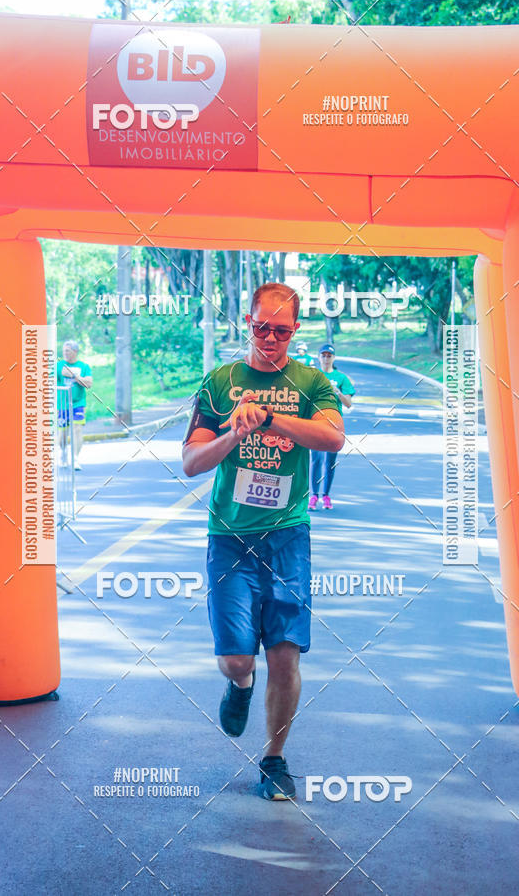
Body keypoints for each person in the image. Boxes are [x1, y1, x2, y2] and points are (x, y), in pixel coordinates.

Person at [182, 283, 344, 800]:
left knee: (285, 654)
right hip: (230, 537)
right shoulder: (220, 382)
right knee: (237, 658)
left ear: (295, 331)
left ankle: (274, 760)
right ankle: (239, 684)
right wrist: (234, 431)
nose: (270, 338)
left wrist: (271, 418)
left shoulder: (312, 382)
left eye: (281, 330)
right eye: (260, 328)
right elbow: (191, 463)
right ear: (247, 323)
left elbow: (334, 437)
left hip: (288, 536)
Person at [309, 344, 354, 511]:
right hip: (316, 422)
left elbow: (348, 403)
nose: (326, 359)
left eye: (329, 356)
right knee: (316, 459)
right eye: (323, 355)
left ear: (334, 358)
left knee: (330, 461)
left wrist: (338, 393)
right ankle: (314, 495)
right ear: (318, 357)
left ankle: (326, 495)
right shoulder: (313, 375)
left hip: (335, 423)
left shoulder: (341, 378)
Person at [56, 340, 92, 471]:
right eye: (64, 351)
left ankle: (75, 458)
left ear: (75, 352)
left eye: (68, 351)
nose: (65, 353)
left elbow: (89, 384)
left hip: (78, 403)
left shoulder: (84, 366)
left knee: (77, 429)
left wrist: (73, 375)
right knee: (62, 433)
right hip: (62, 404)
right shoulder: (58, 366)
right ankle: (63, 452)